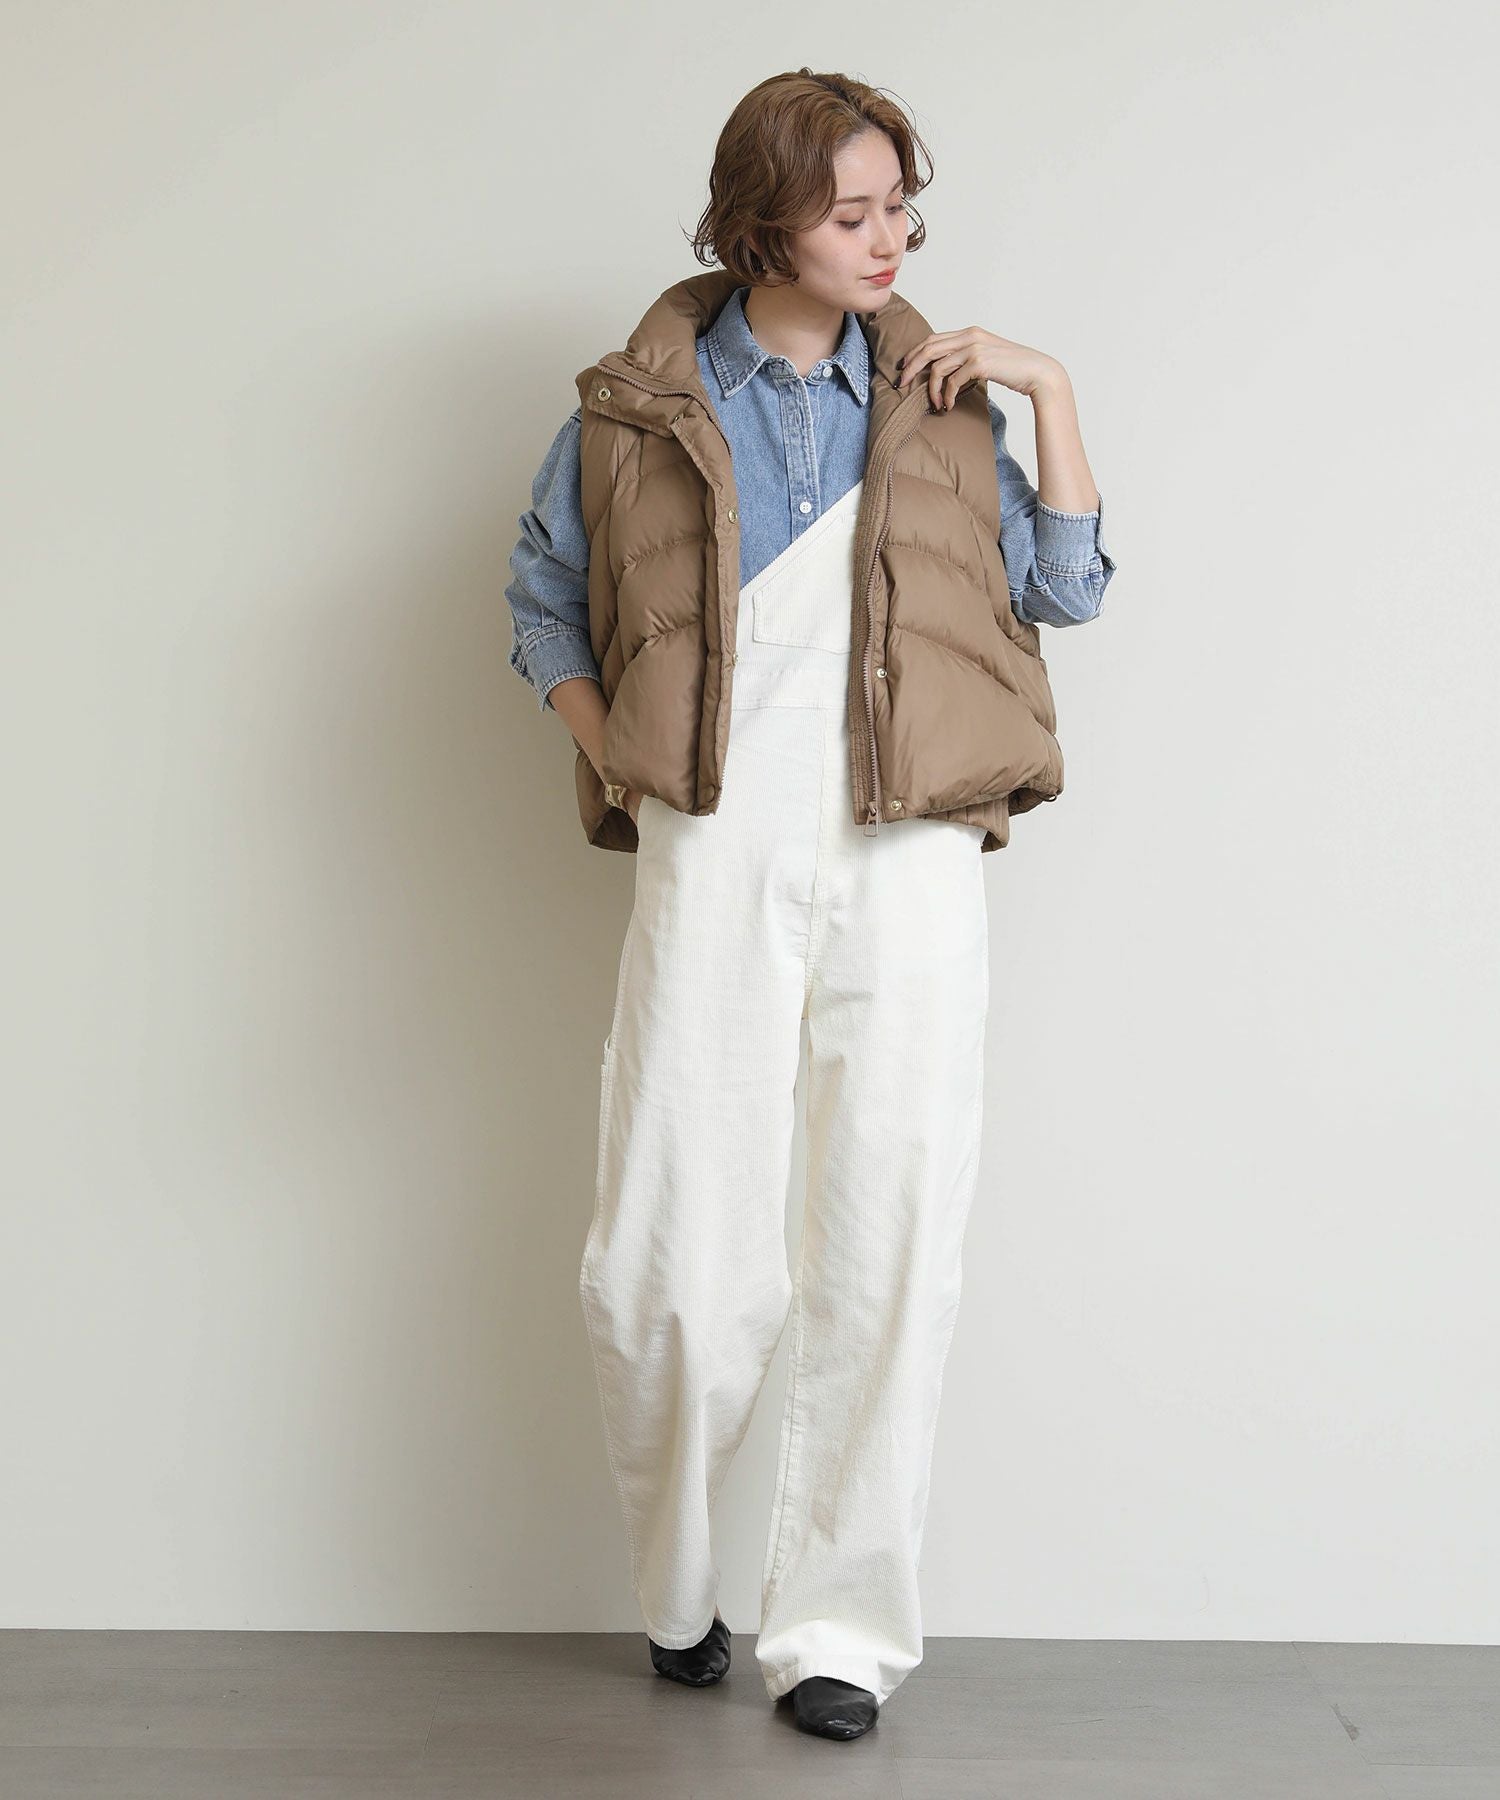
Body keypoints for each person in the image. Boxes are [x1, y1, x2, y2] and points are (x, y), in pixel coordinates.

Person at [504, 68, 1116, 1743]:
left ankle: (841, 1629)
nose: (889, 238)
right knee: (672, 1265)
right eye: (852, 212)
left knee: (888, 1232)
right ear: (759, 222)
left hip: (911, 848)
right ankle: (677, 1587)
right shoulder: (633, 412)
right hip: (715, 835)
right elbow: (543, 603)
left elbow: (1067, 588)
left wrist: (1048, 386)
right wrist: (618, 755)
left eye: (900, 207)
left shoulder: (944, 405)